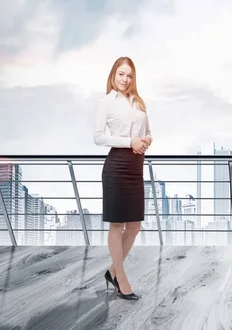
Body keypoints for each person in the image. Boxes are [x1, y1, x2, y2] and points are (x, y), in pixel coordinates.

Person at [93, 56, 152, 301]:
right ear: (113, 75)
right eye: (121, 74)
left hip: (136, 168)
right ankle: (121, 279)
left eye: (129, 75)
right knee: (117, 225)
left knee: (135, 227)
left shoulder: (138, 103)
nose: (125, 80)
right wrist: (130, 142)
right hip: (116, 166)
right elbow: (98, 137)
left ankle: (113, 271)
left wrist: (146, 141)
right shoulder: (106, 102)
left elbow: (148, 133)